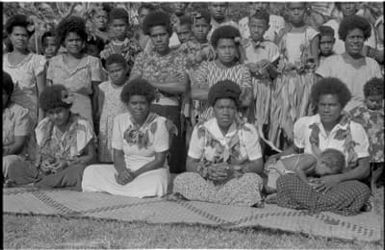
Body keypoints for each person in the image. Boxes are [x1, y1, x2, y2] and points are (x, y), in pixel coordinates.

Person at [268, 77, 371, 215]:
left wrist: (337, 179)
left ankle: (302, 202)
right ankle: (329, 205)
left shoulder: (355, 129)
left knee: (361, 189)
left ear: (342, 106)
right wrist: (275, 156)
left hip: (338, 182)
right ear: (317, 104)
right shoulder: (305, 124)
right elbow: (295, 149)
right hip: (306, 181)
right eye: (323, 105)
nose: (326, 110)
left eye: (332, 105)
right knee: (285, 180)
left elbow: (364, 168)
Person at [172, 80, 264, 207]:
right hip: (208, 181)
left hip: (236, 180)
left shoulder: (247, 130)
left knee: (253, 181)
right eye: (221, 107)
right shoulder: (201, 130)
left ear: (236, 109)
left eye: (230, 108)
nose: (225, 112)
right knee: (182, 180)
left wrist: (233, 170)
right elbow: (190, 163)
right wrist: (207, 171)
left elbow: (258, 165)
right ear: (213, 109)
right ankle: (230, 200)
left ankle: (212, 199)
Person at [82, 79, 170, 198]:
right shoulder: (120, 120)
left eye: (143, 103)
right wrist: (122, 172)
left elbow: (159, 160)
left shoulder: (160, 123)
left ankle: (119, 189)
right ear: (127, 104)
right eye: (134, 103)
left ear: (149, 104)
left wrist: (134, 175)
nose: (138, 107)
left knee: (158, 181)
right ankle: (131, 190)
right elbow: (117, 154)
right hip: (125, 168)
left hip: (149, 171)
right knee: (90, 171)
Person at [129, 11, 188, 173]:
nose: (159, 39)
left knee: (170, 153)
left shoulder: (179, 57)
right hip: (146, 110)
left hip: (170, 110)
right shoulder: (142, 57)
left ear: (169, 34)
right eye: (155, 36)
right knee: (146, 150)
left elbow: (182, 87)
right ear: (150, 37)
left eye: (162, 34)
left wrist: (151, 82)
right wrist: (167, 82)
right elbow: (132, 84)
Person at [7, 85, 96, 190]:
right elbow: (37, 157)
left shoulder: (82, 126)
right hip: (47, 173)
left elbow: (92, 158)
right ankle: (48, 183)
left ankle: (40, 184)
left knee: (79, 171)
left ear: (68, 108)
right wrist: (43, 164)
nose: (55, 116)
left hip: (70, 169)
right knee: (15, 167)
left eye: (59, 111)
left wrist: (67, 163)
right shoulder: (44, 126)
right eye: (51, 113)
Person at [269, 2, 319, 149]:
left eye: (299, 9)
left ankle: (301, 152)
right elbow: (275, 57)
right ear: (287, 11)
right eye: (293, 9)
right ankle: (284, 151)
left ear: (306, 10)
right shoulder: (281, 33)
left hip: (304, 82)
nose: (296, 12)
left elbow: (315, 61)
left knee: (301, 115)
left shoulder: (311, 33)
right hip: (284, 81)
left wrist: (303, 67)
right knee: (283, 117)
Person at [47, 16, 104, 128]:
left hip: (84, 113)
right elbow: (49, 93)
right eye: (70, 40)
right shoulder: (53, 62)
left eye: (77, 40)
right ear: (63, 41)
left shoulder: (93, 62)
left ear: (83, 41)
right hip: (59, 115)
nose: (74, 43)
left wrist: (97, 115)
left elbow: (97, 94)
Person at [316, 15, 382, 112]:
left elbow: (379, 95)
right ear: (344, 38)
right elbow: (320, 97)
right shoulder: (330, 64)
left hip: (367, 116)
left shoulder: (372, 65)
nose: (355, 41)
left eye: (359, 37)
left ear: (364, 39)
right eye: (352, 37)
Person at [191, 25, 252, 125]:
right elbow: (195, 93)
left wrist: (210, 92)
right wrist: (234, 93)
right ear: (215, 49)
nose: (227, 52)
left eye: (231, 47)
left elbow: (246, 100)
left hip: (234, 124)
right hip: (207, 122)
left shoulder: (242, 70)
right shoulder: (206, 67)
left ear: (236, 48)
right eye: (223, 47)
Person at [240, 10, 280, 141]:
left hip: (264, 90)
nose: (256, 30)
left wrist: (269, 66)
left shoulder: (272, 47)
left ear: (267, 28)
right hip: (246, 89)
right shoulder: (242, 46)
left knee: (261, 124)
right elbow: (236, 67)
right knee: (244, 122)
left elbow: (276, 75)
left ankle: (260, 155)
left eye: (260, 27)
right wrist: (248, 67)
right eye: (253, 26)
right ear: (248, 26)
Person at [3, 14, 47, 125]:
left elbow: (42, 95)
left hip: (29, 118)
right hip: (6, 117)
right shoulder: (3, 60)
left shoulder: (37, 61)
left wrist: (40, 123)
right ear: (9, 36)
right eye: (16, 34)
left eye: (24, 35)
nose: (20, 38)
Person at [349, 77, 384, 191]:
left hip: (380, 143)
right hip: (365, 143)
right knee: (364, 164)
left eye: (378, 101)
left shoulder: (382, 111)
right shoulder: (359, 110)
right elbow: (348, 119)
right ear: (365, 98)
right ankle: (364, 181)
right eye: (371, 100)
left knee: (380, 164)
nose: (375, 104)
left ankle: (374, 181)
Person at [265, 148, 345, 193]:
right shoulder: (311, 159)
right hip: (278, 168)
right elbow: (298, 169)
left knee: (285, 188)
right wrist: (306, 182)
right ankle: (260, 182)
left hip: (286, 173)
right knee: (271, 189)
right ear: (323, 163)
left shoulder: (314, 167)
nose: (324, 175)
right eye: (326, 173)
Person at [97, 54, 129, 163]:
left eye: (118, 70)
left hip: (123, 124)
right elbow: (100, 108)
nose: (115, 74)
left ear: (126, 69)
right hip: (107, 125)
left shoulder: (129, 86)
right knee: (107, 154)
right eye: (112, 71)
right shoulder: (103, 87)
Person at [3, 71, 33, 182]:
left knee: (7, 162)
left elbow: (19, 145)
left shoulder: (20, 112)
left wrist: (4, 151)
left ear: (9, 94)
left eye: (2, 94)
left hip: (12, 155)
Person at [100, 8, 142, 72]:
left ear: (128, 26)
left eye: (121, 25)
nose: (118, 28)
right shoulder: (107, 48)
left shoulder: (134, 46)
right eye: (115, 26)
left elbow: (140, 66)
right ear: (110, 26)